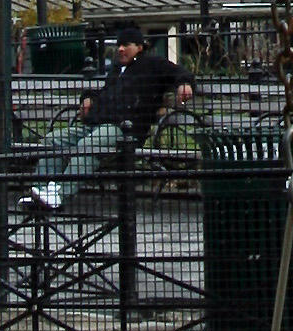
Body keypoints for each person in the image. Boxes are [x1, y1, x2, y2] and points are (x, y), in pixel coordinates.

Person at [31, 27, 193, 207]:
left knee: (88, 145)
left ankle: (60, 194)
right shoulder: (117, 70)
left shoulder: (153, 65)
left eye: (126, 45)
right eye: (119, 45)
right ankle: (41, 191)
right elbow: (104, 92)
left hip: (124, 130)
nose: (120, 49)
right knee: (52, 140)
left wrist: (184, 84)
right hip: (95, 125)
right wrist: (88, 97)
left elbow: (180, 72)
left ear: (140, 47)